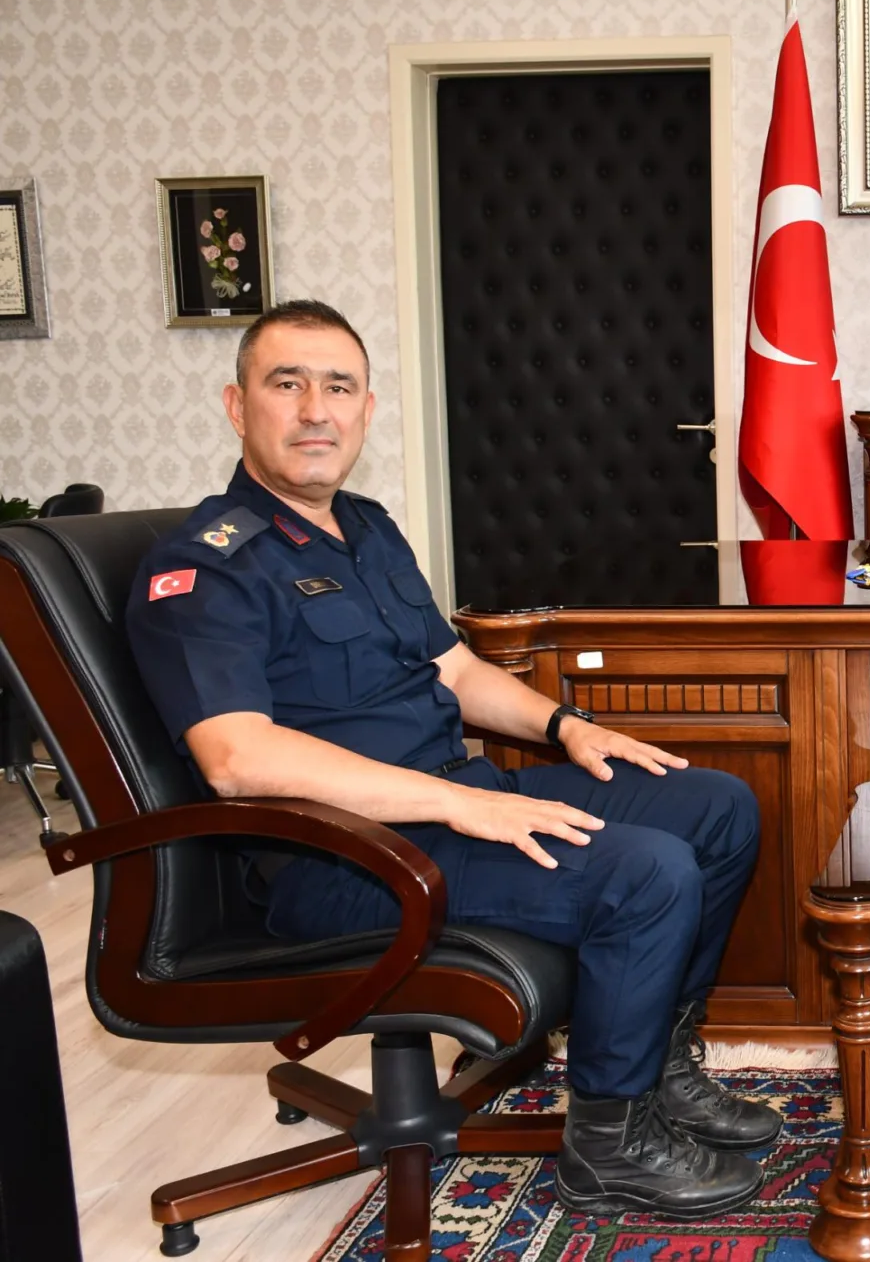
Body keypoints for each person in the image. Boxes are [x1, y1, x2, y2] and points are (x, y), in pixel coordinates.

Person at [124, 299, 780, 1221]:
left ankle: (661, 1068)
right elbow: (235, 757)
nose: (315, 410)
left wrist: (567, 726)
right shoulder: (207, 566)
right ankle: (608, 1144)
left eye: (338, 387)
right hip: (345, 857)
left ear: (366, 409)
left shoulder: (367, 529)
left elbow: (455, 669)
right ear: (238, 406)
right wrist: (459, 805)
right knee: (647, 871)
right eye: (287, 384)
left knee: (714, 806)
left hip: (451, 803)